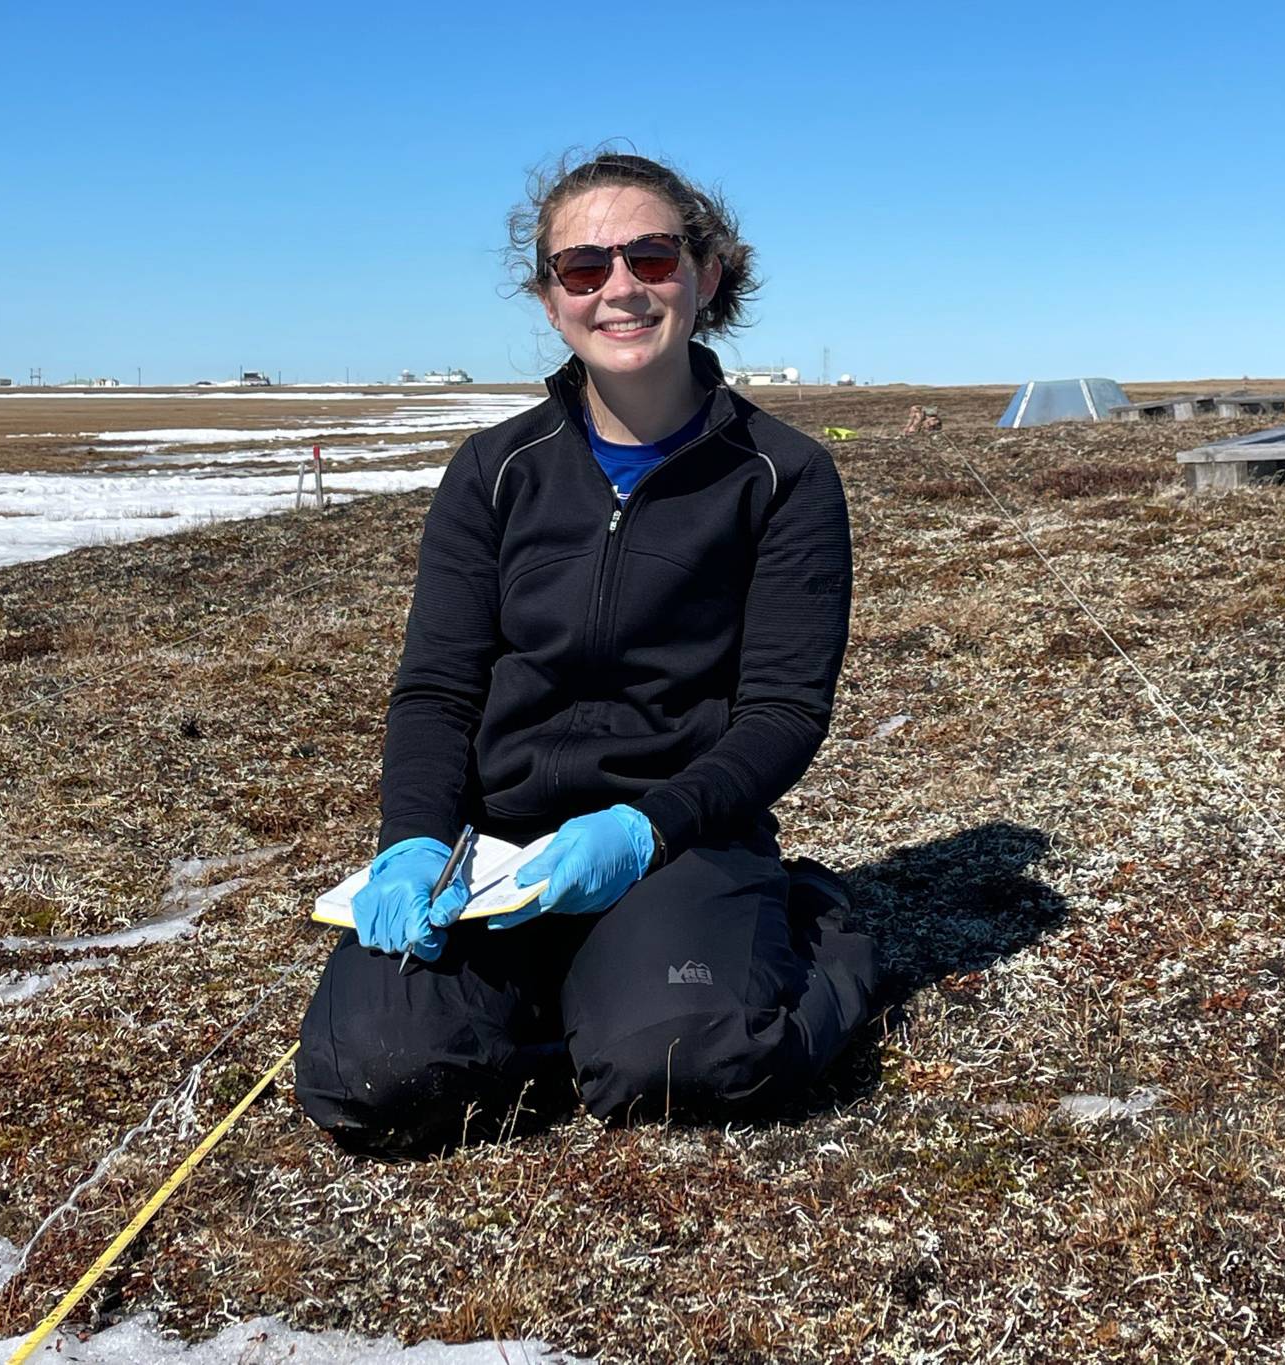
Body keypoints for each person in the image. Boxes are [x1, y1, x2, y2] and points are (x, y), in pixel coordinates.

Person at [297, 151, 877, 1158]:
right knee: (372, 1075)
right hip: (499, 851)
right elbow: (437, 690)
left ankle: (810, 927)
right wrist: (416, 841)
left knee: (683, 1061)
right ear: (549, 296)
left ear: (705, 274)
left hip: (677, 837)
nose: (619, 288)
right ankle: (585, 999)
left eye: (651, 258)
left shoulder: (783, 476)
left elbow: (784, 714)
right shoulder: (495, 470)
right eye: (583, 267)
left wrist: (646, 830)